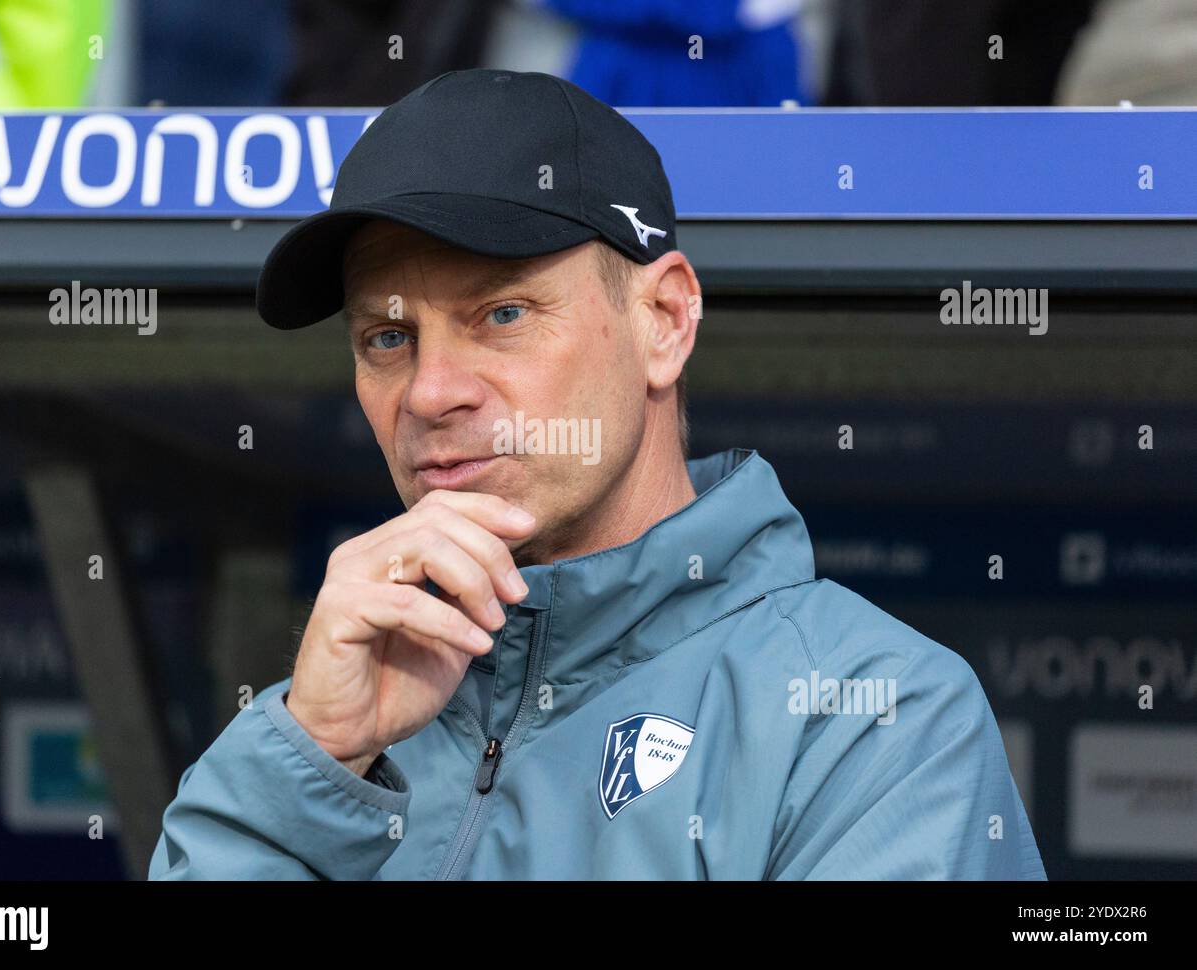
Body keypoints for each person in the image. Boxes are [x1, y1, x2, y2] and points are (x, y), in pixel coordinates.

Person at [148, 68, 1046, 880]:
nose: (429, 392)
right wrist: (315, 763)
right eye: (388, 337)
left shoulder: (870, 717)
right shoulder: (316, 732)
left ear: (665, 320)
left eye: (501, 312)